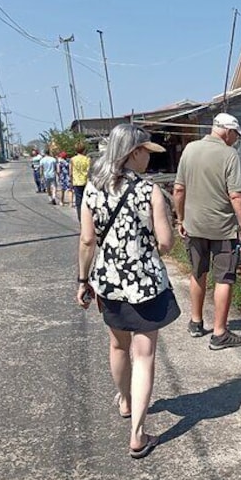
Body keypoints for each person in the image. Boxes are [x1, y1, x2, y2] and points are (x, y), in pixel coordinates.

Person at [76, 124, 179, 459]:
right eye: (146, 151)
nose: (149, 157)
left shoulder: (93, 188)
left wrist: (82, 280)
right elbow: (165, 243)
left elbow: (87, 240)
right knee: (144, 355)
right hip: (146, 282)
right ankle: (137, 433)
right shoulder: (150, 192)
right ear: (133, 152)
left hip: (108, 280)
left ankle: (124, 401)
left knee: (117, 344)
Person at [173, 112, 241, 350]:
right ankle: (219, 333)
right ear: (228, 131)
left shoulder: (190, 149)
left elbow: (178, 189)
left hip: (194, 225)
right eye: (236, 134)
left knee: (198, 272)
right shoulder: (229, 155)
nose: (236, 139)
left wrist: (181, 219)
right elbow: (236, 194)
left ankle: (196, 322)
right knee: (224, 278)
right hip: (223, 228)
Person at [70, 143, 91, 220]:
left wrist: (71, 181)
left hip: (76, 182)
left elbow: (70, 172)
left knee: (78, 201)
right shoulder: (87, 159)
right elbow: (89, 171)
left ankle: (80, 217)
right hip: (85, 181)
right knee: (86, 200)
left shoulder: (73, 159)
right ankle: (87, 216)